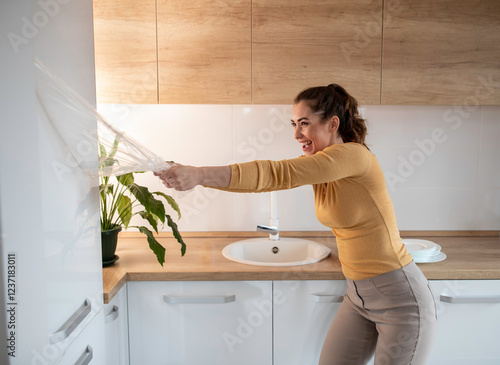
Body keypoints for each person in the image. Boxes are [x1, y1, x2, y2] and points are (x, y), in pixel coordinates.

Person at [156, 84, 437, 364]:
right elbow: (264, 182)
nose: (296, 134)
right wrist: (197, 177)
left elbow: (277, 174)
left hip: (400, 299)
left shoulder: (353, 156)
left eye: (304, 123)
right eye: (294, 124)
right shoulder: (323, 165)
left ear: (332, 124)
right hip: (358, 296)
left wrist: (199, 174)